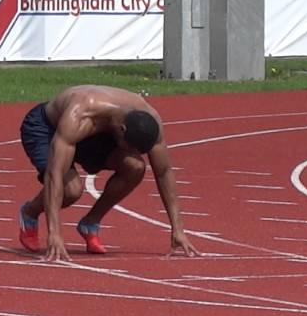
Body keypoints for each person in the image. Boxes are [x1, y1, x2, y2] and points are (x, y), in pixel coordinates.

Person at [18, 84, 200, 262]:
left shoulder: (151, 119)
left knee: (135, 167)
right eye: (130, 146)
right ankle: (30, 212)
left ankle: (90, 223)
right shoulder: (81, 113)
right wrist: (54, 232)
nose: (131, 151)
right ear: (122, 130)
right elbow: (54, 174)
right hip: (46, 128)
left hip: (96, 133)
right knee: (71, 190)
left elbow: (164, 172)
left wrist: (178, 229)